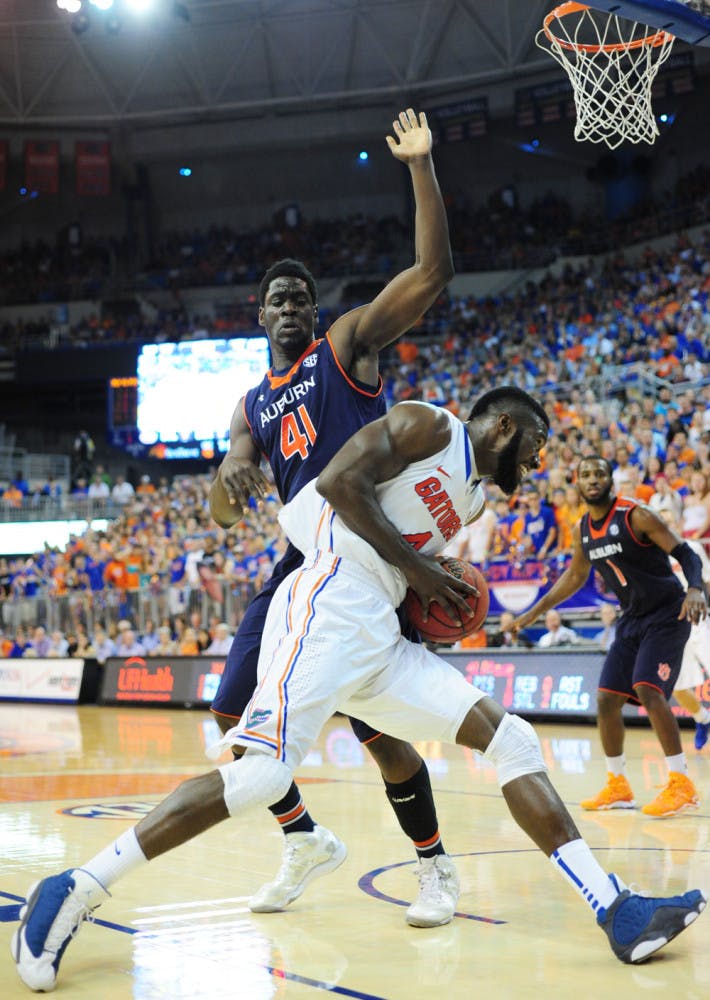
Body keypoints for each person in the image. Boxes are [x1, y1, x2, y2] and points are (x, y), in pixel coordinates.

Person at [12, 389, 707, 995]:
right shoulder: (428, 426)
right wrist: (424, 572)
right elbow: (344, 485)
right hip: (326, 603)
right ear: (502, 427)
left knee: (512, 736)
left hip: (378, 635)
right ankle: (76, 885)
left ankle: (616, 911)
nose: (533, 466)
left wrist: (429, 583)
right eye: (533, 448)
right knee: (262, 774)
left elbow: (401, 558)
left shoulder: (467, 500)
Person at [207, 108, 459, 926]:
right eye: (277, 298)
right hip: (298, 563)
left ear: (315, 313)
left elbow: (432, 271)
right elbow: (230, 479)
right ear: (259, 313)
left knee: (377, 732)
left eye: (301, 298)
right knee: (233, 713)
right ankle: (305, 839)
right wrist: (231, 473)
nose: (290, 306)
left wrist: (419, 166)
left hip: (365, 556)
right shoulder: (249, 401)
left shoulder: (346, 346)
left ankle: (435, 870)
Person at [512, 455, 707, 818]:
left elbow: (685, 553)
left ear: (610, 481)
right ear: (577, 482)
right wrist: (532, 613)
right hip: (632, 619)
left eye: (599, 473)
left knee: (648, 689)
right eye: (585, 474)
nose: (592, 479)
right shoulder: (583, 528)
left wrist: (695, 587)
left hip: (668, 614)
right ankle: (618, 785)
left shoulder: (637, 515)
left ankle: (681, 784)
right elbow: (573, 578)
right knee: (605, 700)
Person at [657, 509, 710, 750]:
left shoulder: (691, 548)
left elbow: (706, 579)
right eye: (661, 522)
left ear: (678, 523)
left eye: (669, 521)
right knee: (678, 686)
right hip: (671, 625)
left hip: (699, 619)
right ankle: (703, 719)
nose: (666, 526)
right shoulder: (652, 557)